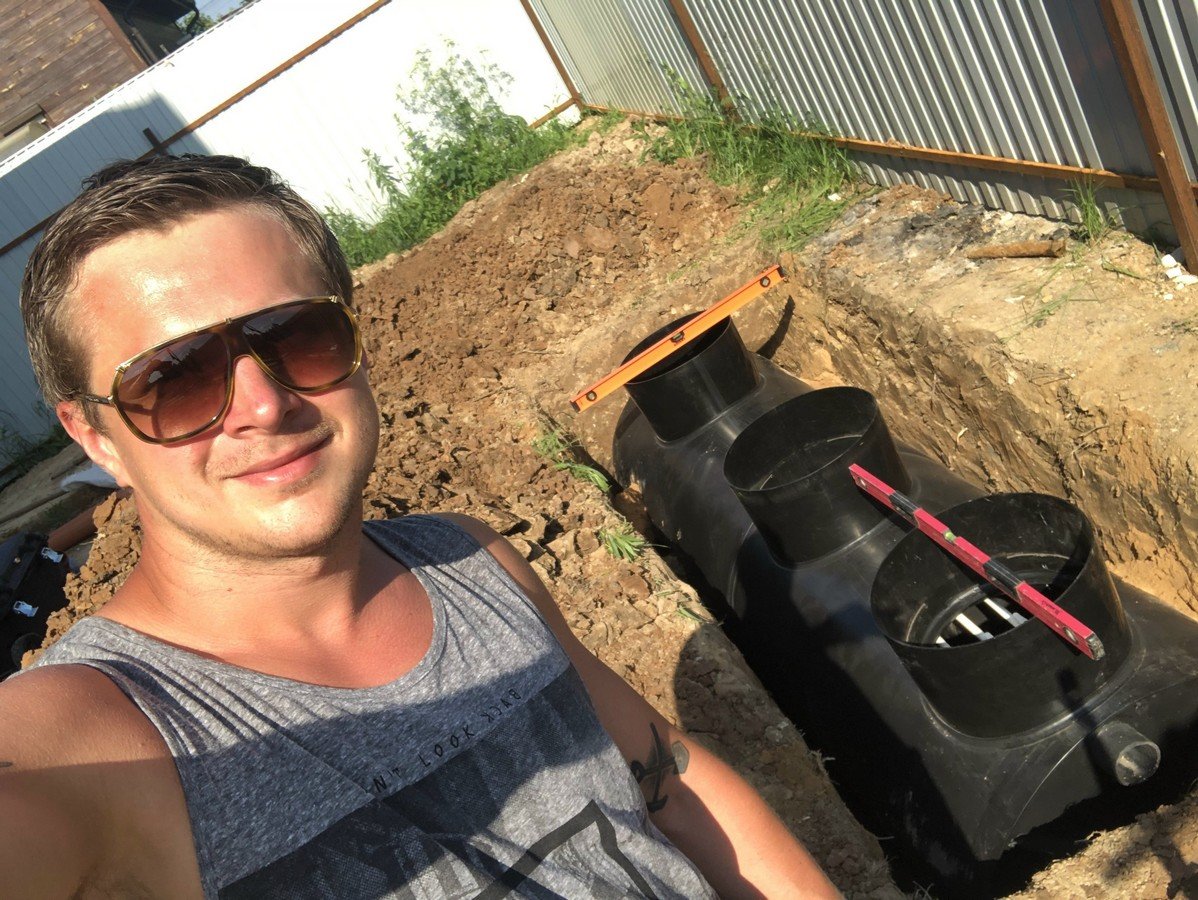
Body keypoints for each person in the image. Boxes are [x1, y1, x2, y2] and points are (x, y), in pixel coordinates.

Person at [4, 154, 840, 898]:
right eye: (174, 377)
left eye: (297, 335)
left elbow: (673, 787)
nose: (264, 404)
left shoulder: (473, 561)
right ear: (94, 436)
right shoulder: (92, 739)